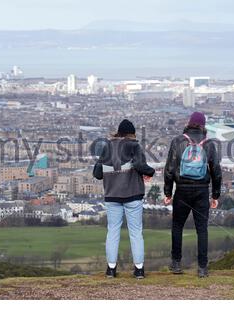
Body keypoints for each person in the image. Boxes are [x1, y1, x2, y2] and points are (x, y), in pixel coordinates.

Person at [93, 119, 155, 279]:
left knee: (112, 231)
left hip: (112, 195)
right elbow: (141, 166)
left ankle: (111, 269)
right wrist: (151, 171)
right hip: (132, 194)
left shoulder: (107, 146)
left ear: (118, 132)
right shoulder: (134, 145)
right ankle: (139, 270)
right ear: (132, 133)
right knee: (136, 232)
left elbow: (97, 174)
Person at [163, 112, 222, 278]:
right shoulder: (209, 144)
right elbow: (216, 172)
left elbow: (169, 170)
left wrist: (168, 192)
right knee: (202, 230)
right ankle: (202, 268)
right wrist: (215, 195)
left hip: (182, 189)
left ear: (189, 123)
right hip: (202, 190)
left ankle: (176, 264)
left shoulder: (178, 141)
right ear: (203, 126)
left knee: (177, 226)